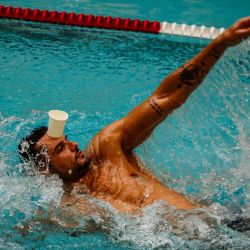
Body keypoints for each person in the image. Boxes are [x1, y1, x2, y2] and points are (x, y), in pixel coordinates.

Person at [18, 18, 250, 217]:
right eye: (60, 149)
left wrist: (221, 43)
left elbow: (166, 97)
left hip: (226, 224)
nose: (74, 144)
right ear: (43, 169)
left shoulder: (108, 148)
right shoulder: (73, 210)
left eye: (66, 140)